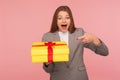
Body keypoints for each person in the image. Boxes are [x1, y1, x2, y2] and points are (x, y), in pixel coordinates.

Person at [41, 5, 109, 80]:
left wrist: (94, 39)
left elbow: (105, 52)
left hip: (79, 77)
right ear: (56, 21)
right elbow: (48, 70)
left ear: (71, 20)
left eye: (67, 17)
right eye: (60, 18)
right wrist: (46, 63)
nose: (64, 21)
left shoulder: (79, 33)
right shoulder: (47, 37)